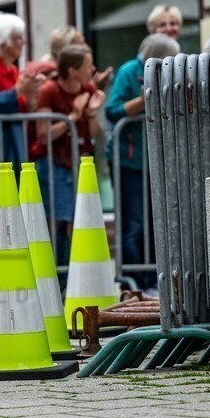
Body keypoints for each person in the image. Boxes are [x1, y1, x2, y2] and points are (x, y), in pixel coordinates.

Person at [105, 34, 179, 290]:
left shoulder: (166, 73)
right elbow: (112, 111)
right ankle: (133, 282)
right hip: (130, 161)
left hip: (156, 161)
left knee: (154, 222)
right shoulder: (129, 71)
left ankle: (152, 278)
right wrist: (141, 102)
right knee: (134, 223)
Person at [0, 12, 44, 260]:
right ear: (2, 42)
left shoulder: (12, 69)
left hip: (10, 145)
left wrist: (30, 94)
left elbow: (19, 105)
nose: (22, 42)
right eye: (17, 38)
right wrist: (18, 91)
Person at [32, 44, 106, 266]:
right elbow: (43, 134)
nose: (92, 69)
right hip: (55, 162)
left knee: (80, 217)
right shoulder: (49, 90)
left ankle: (76, 269)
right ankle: (57, 269)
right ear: (73, 70)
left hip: (80, 161)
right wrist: (73, 116)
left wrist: (91, 114)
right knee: (59, 219)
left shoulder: (88, 89)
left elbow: (94, 133)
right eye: (87, 66)